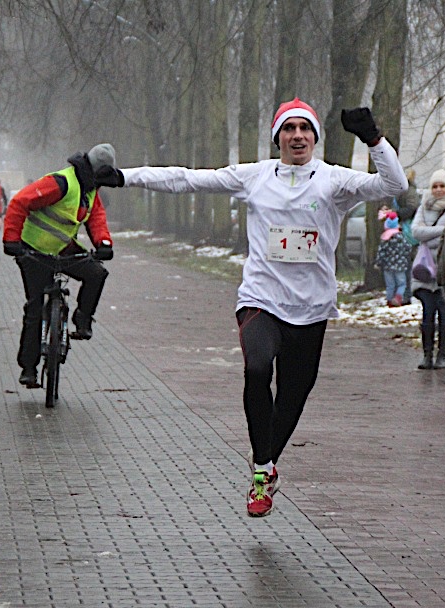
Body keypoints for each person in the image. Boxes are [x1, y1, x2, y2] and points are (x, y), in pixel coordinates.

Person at [119, 98, 407, 517]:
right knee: (257, 368)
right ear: (277, 138)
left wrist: (374, 139)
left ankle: (266, 466)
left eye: (305, 129)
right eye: (288, 129)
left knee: (292, 395)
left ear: (314, 137)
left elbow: (394, 185)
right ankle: (261, 471)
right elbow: (186, 179)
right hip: (261, 299)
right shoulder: (255, 176)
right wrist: (122, 177)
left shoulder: (334, 180)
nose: (297, 136)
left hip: (310, 307)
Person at [2, 143, 119, 387]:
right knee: (35, 308)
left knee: (97, 274)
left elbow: (96, 218)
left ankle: (83, 319)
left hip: (63, 249)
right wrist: (12, 240)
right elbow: (19, 202)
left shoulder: (90, 190)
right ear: (95, 171)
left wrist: (104, 243)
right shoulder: (61, 183)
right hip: (33, 251)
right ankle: (29, 368)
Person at [411, 169, 445, 369]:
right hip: (425, 269)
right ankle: (427, 355)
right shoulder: (424, 207)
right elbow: (416, 232)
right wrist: (444, 230)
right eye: (435, 186)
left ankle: (443, 355)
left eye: (442, 186)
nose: (438, 190)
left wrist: (429, 233)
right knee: (427, 315)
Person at [374, 209, 408, 307]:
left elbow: (381, 252)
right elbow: (407, 248)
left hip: (387, 266)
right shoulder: (402, 237)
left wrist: (378, 263)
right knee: (401, 284)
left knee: (390, 285)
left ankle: (389, 301)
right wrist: (404, 257)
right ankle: (398, 298)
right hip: (400, 265)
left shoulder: (385, 238)